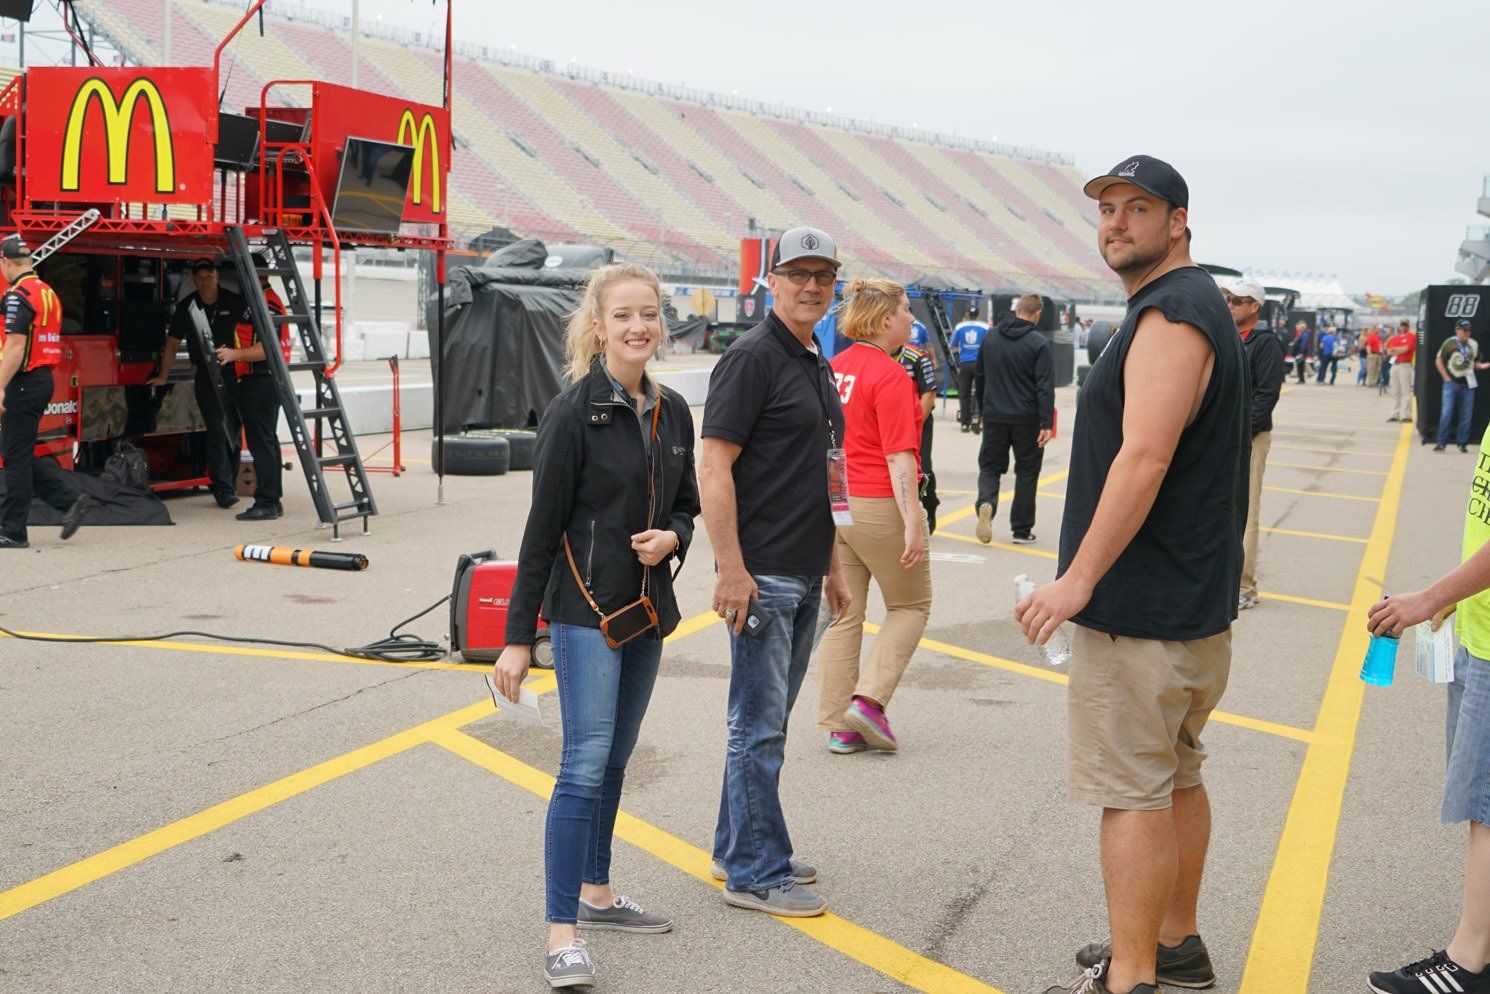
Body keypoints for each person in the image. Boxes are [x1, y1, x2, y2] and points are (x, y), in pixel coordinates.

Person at [1023, 155, 1247, 994]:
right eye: (1107, 209)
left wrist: (1077, 579)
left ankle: (1135, 978)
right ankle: (1176, 945)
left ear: (1178, 220)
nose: (1116, 222)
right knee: (1176, 776)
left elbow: (1145, 456)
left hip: (1145, 611)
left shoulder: (1171, 313)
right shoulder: (1190, 306)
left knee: (1133, 795)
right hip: (1187, 604)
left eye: (1137, 208)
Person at [493, 262, 699, 989]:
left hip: (647, 613)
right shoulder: (573, 412)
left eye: (649, 313)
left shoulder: (673, 409)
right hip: (585, 614)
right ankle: (561, 934)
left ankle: (598, 891)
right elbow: (540, 532)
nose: (638, 326)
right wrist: (519, 637)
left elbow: (686, 507)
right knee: (582, 764)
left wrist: (674, 538)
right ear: (598, 327)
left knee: (616, 758)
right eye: (623, 316)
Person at [699, 226, 851, 919]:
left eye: (823, 275)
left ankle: (741, 847)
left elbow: (825, 475)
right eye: (798, 274)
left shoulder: (815, 357)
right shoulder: (753, 357)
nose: (811, 286)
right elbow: (713, 465)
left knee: (767, 723)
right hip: (762, 573)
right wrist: (730, 568)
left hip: (804, 570)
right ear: (773, 280)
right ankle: (758, 872)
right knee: (755, 727)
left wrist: (835, 567)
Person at [1362, 419, 1490, 994]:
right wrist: (1463, 601)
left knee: (1486, 804)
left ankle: (1469, 962)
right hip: (1481, 631)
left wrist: (1434, 596)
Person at [818, 278, 931, 754]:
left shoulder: (834, 367)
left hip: (837, 499)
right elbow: (900, 457)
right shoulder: (891, 376)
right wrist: (912, 521)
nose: (911, 318)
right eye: (905, 310)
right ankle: (868, 702)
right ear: (886, 320)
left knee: (845, 611)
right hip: (878, 500)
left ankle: (841, 724)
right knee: (911, 605)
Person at [0, 235, 87, 548]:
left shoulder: (17, 295)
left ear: (7, 262)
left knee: (14, 459)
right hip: (41, 379)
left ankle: (12, 531)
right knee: (16, 451)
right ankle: (68, 501)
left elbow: (15, 345)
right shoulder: (46, 290)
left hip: (23, 381)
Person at [153, 259, 250, 511]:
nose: (205, 281)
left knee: (234, 430)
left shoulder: (235, 301)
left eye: (209, 275)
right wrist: (163, 375)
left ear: (217, 275)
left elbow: (252, 333)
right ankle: (223, 490)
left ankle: (230, 480)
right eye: (200, 277)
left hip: (234, 373)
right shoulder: (188, 306)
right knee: (217, 429)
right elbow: (172, 343)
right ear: (195, 280)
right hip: (206, 376)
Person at [973, 293, 1053, 546]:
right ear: (1037, 313)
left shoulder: (991, 337)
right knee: (1027, 471)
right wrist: (1046, 423)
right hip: (1026, 418)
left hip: (995, 414)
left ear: (1016, 309)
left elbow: (980, 376)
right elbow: (1044, 386)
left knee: (990, 466)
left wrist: (981, 411)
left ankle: (986, 502)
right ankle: (1021, 529)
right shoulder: (1038, 343)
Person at [1225, 277, 1284, 610]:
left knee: (1246, 511)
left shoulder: (1265, 343)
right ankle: (1225, 580)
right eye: (1229, 299)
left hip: (1250, 438)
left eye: (1238, 300)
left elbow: (1266, 396)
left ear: (1255, 306)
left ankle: (1245, 587)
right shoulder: (1230, 338)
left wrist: (1241, 434)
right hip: (1225, 438)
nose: (1231, 305)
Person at [219, 260, 290, 521]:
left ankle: (267, 502)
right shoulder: (259, 302)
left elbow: (267, 348)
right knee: (267, 440)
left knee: (262, 442)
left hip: (261, 381)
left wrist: (233, 354)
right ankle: (272, 499)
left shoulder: (267, 304)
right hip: (258, 381)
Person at [896, 335, 940, 534]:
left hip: (917, 423)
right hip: (889, 425)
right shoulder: (875, 355)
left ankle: (930, 507)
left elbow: (929, 395)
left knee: (923, 469)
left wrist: (913, 426)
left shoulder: (917, 357)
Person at [1436, 319, 1490, 453]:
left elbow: (1475, 361)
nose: (1467, 333)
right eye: (1465, 330)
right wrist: (1446, 377)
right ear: (1457, 330)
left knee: (1466, 416)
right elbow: (1439, 360)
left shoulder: (1473, 344)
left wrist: (1481, 366)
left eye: (1469, 330)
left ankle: (1462, 443)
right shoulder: (1449, 343)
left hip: (1468, 385)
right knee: (1446, 413)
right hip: (1452, 384)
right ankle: (1441, 442)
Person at [953, 305, 988, 432]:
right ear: (978, 315)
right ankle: (978, 420)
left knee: (964, 394)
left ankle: (964, 423)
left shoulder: (959, 327)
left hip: (965, 363)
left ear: (968, 315)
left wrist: (963, 351)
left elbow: (953, 346)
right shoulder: (985, 327)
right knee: (981, 392)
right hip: (979, 363)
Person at [1386, 318, 1417, 422]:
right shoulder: (1395, 338)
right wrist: (1398, 350)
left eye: (1405, 325)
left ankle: (1406, 415)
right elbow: (1389, 351)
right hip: (1395, 364)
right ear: (1399, 326)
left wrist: (1396, 350)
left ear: (1408, 326)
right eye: (1402, 325)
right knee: (1395, 391)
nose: (1403, 327)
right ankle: (1395, 413)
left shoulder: (1412, 337)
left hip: (1405, 365)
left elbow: (1406, 349)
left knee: (1405, 391)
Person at [1363, 324, 1383, 390]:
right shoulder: (1371, 336)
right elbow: (1368, 345)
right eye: (1378, 329)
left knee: (1377, 370)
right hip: (1373, 354)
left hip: (1378, 355)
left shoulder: (1378, 337)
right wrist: (1369, 354)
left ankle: (1374, 382)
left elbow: (1380, 345)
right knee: (1371, 369)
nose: (1379, 330)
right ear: (1374, 329)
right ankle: (1370, 382)